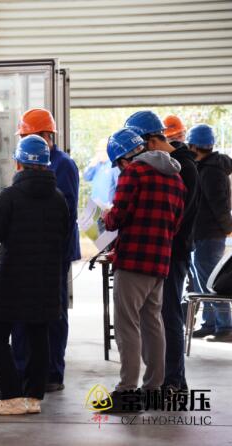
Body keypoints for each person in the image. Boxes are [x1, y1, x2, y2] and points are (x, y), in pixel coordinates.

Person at [0, 135, 69, 416]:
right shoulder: (58, 198)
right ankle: (33, 398)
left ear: (18, 163)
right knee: (38, 334)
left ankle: (11, 395)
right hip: (46, 279)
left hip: (12, 278)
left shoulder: (10, 196)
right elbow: (64, 235)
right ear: (46, 164)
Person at [99, 127, 185, 412]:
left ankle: (126, 392)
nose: (120, 169)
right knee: (153, 325)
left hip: (133, 261)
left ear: (125, 158)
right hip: (160, 262)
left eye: (118, 164)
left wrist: (106, 215)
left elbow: (118, 216)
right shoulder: (175, 178)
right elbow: (175, 224)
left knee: (128, 326)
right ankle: (153, 389)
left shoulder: (134, 173)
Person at [125, 110, 200, 396]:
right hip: (161, 251)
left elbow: (174, 217)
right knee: (156, 317)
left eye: (140, 147)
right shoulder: (171, 164)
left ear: (153, 140)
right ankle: (167, 380)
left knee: (167, 316)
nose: (138, 155)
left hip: (173, 252)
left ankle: (174, 382)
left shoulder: (183, 168)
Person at [12, 108, 80, 392]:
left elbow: (65, 212)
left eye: (27, 136)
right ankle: (25, 369)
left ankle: (53, 372)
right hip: (32, 250)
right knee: (26, 310)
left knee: (54, 311)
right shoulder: (29, 161)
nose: (24, 142)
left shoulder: (63, 164)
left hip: (54, 251)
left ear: (47, 136)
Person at [188, 124, 232, 342]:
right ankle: (210, 324)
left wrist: (228, 228)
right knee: (203, 282)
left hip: (209, 234)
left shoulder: (211, 170)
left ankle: (225, 327)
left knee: (211, 284)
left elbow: (219, 204)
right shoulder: (206, 166)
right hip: (203, 234)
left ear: (193, 146)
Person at [83, 138, 119, 209]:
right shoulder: (96, 164)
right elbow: (86, 177)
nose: (99, 153)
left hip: (108, 207)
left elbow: (119, 186)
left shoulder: (114, 165)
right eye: (98, 151)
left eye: (102, 150)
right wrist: (91, 165)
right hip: (94, 206)